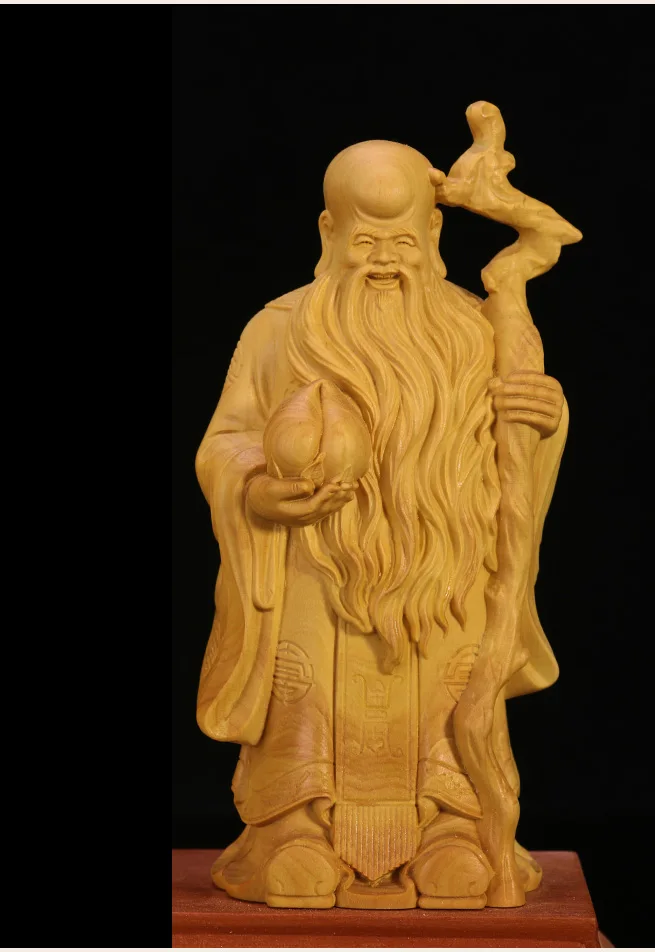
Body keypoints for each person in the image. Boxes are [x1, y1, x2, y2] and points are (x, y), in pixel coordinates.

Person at [195, 139, 567, 909]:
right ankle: (293, 830)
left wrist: (544, 420)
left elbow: (516, 461)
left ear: (434, 231)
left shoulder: (476, 328)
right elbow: (226, 440)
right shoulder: (278, 328)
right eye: (366, 241)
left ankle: (452, 828)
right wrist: (257, 489)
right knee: (302, 695)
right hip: (313, 564)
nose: (386, 260)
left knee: (449, 702)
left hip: (444, 572)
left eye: (403, 240)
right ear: (328, 231)